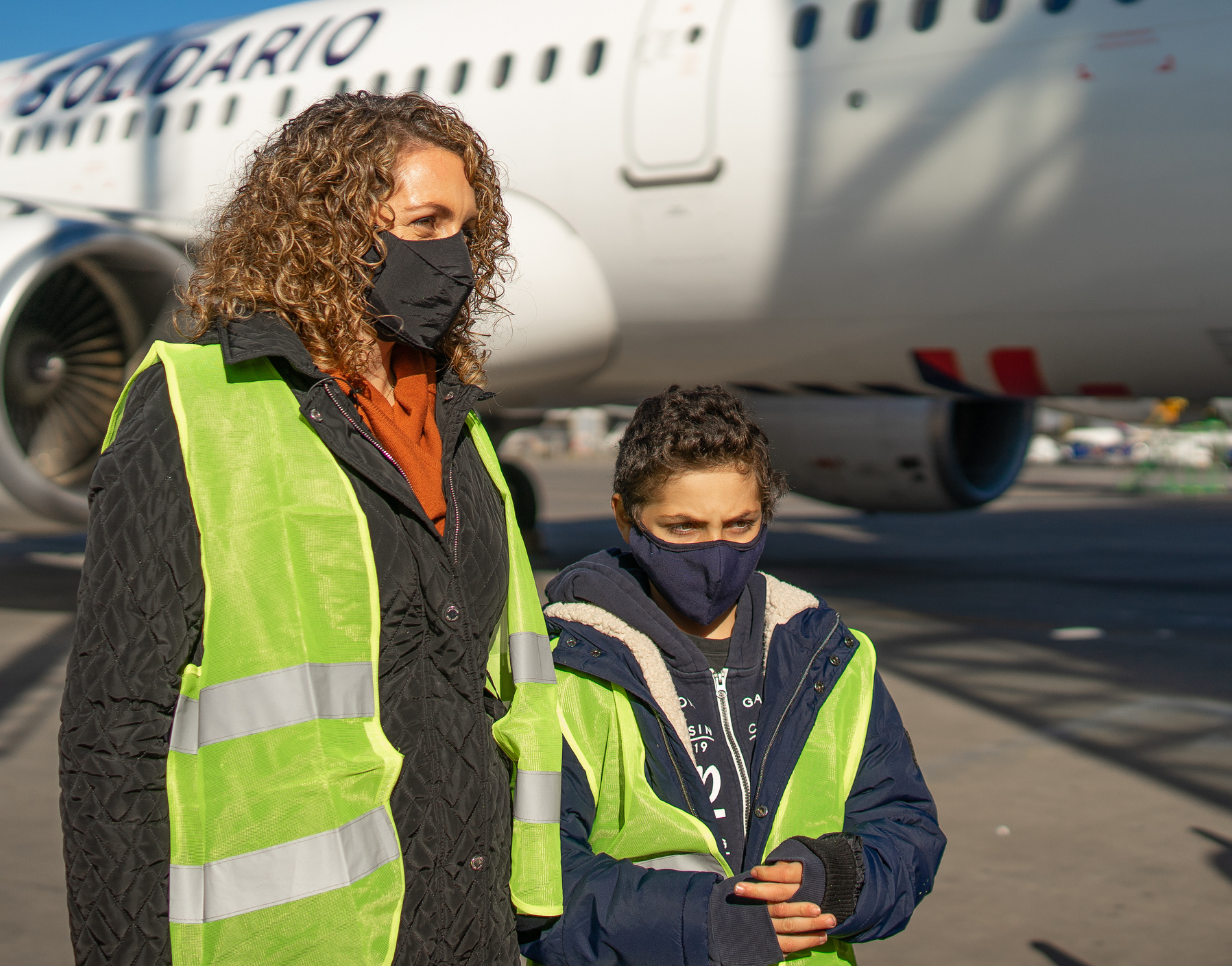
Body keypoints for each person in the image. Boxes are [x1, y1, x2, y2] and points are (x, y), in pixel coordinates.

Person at [59, 92, 561, 966]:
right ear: (330, 230)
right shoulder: (195, 409)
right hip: (300, 938)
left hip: (467, 925)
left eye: (467, 229)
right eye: (427, 223)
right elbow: (115, 727)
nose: (455, 256)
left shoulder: (458, 428)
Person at [522, 386, 944, 966]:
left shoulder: (831, 657)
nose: (716, 554)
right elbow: (537, 883)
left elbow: (906, 828)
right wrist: (703, 927)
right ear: (625, 517)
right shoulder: (563, 671)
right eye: (684, 528)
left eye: (741, 524)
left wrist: (840, 877)